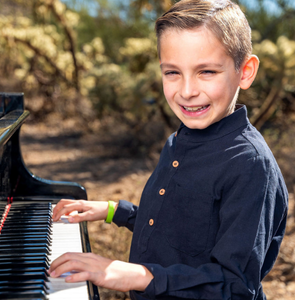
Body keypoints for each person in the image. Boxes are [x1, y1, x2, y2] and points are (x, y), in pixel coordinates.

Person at [49, 0, 289, 299]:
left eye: (207, 72)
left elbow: (235, 286)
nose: (187, 91)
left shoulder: (250, 167)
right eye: (172, 72)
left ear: (245, 71)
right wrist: (113, 211)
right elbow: (175, 226)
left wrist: (134, 275)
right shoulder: (179, 141)